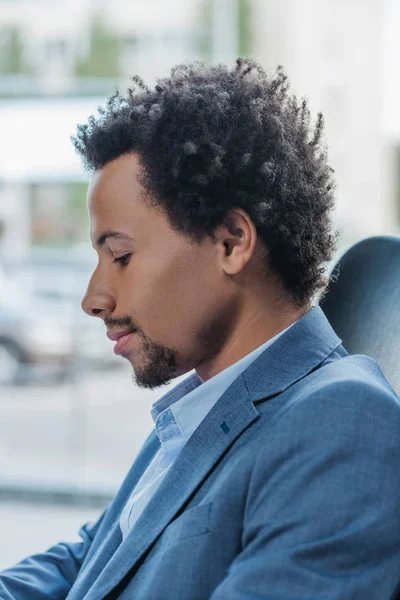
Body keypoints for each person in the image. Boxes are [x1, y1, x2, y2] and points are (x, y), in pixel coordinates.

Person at [1, 57, 400, 600]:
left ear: (232, 241)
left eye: (119, 255)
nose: (93, 299)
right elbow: (90, 564)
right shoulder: (200, 406)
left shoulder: (342, 422)